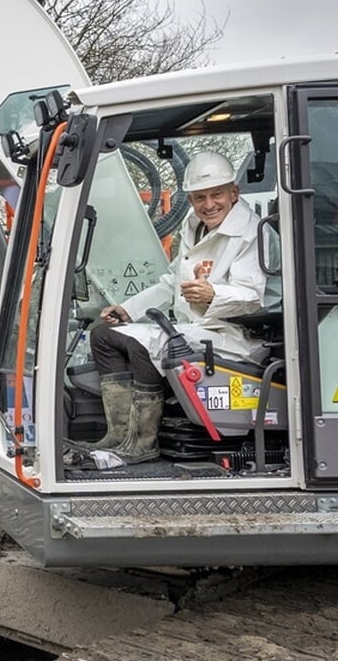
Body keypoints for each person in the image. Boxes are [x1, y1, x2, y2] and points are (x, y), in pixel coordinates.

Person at [89, 150, 268, 465]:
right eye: (200, 197)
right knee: (104, 335)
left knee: (143, 344)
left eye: (217, 195)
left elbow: (252, 295)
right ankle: (118, 434)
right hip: (193, 327)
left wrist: (214, 294)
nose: (209, 204)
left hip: (232, 332)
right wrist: (129, 309)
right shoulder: (194, 226)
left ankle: (143, 442)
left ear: (234, 193)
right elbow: (172, 281)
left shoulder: (251, 233)